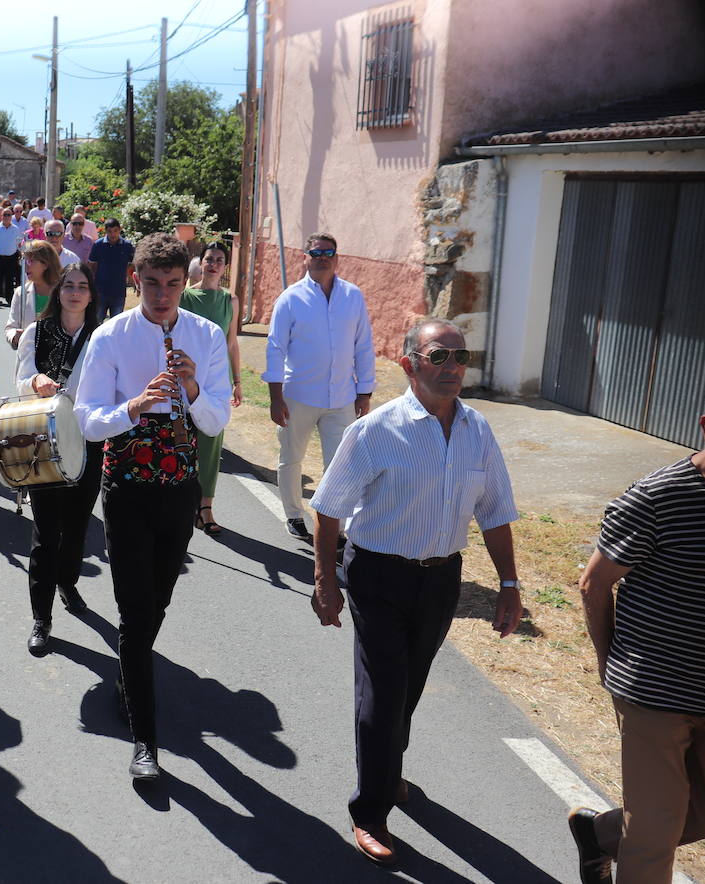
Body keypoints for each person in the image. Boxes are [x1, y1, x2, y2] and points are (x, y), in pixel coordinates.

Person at [308, 316, 522, 867]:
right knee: (382, 692)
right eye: (438, 357)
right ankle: (371, 809)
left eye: (460, 357)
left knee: (412, 684)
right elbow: (329, 509)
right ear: (408, 364)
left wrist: (508, 583)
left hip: (441, 577)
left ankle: (388, 770)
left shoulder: (477, 430)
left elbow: (495, 511)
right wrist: (325, 582)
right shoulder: (374, 430)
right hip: (378, 574)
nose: (453, 368)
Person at [72, 233, 232, 781]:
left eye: (173, 283)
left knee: (155, 604)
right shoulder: (110, 336)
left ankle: (128, 671)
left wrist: (189, 387)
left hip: (180, 487)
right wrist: (134, 406)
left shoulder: (206, 335)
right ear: (135, 280)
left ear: (186, 283)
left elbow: (215, 422)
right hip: (126, 487)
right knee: (135, 612)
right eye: (153, 283)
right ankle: (146, 740)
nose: (163, 295)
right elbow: (88, 422)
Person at [568, 408, 705, 884]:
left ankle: (601, 835)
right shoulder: (657, 497)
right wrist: (613, 668)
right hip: (654, 691)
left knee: (700, 812)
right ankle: (622, 837)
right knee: (654, 833)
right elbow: (593, 583)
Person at [264, 232, 376, 544]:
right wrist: (275, 397)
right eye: (316, 252)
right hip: (298, 395)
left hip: (342, 396)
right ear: (306, 256)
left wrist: (364, 392)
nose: (322, 257)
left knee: (340, 465)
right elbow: (275, 348)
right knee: (291, 458)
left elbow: (363, 346)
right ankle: (293, 514)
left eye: (328, 252)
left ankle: (334, 527)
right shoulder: (290, 298)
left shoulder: (353, 296)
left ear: (337, 257)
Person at [15, 262, 102, 656]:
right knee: (46, 533)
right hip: (45, 444)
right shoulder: (37, 331)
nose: (75, 292)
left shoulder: (103, 335)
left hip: (88, 442)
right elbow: (20, 378)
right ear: (58, 290)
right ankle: (41, 616)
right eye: (69, 285)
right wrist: (35, 381)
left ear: (91, 293)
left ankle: (68, 581)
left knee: (78, 527)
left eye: (83, 286)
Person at [179, 242, 243, 536]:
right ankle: (182, 500)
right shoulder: (186, 296)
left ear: (225, 266)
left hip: (218, 380)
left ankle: (206, 507)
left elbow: (232, 342)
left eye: (219, 260)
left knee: (212, 439)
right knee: (183, 439)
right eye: (209, 259)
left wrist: (238, 381)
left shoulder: (231, 300)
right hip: (188, 377)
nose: (214, 264)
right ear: (200, 263)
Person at [6, 239, 62, 351]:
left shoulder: (62, 292)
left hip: (57, 357)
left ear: (45, 264)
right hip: (28, 358)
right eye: (23, 261)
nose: (25, 266)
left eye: (30, 261)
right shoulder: (20, 292)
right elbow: (10, 327)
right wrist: (14, 337)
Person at [88, 218, 135, 321]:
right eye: (109, 231)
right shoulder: (98, 245)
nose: (113, 234)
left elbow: (132, 264)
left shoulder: (127, 246)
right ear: (105, 231)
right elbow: (92, 266)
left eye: (115, 231)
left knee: (117, 322)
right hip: (100, 291)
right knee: (96, 321)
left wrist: (130, 278)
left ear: (120, 229)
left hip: (118, 292)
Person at [0, 207, 25, 306]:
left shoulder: (16, 229)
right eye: (5, 215)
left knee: (10, 278)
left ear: (11, 216)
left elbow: (19, 243)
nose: (7, 217)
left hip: (12, 257)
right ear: (2, 216)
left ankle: (9, 298)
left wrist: (21, 254)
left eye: (8, 215)